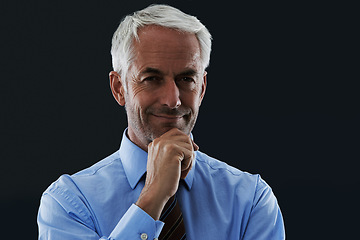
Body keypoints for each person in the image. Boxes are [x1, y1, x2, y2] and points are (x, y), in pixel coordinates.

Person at [37, 4, 285, 240]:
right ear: (119, 88)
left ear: (201, 89)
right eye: (151, 78)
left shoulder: (250, 200)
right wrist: (153, 196)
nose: (172, 100)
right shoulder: (68, 202)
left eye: (186, 78)